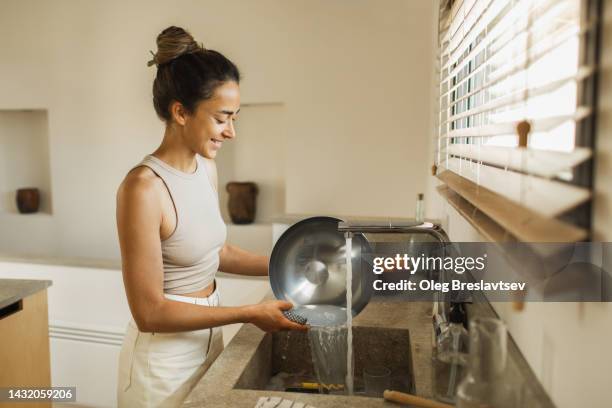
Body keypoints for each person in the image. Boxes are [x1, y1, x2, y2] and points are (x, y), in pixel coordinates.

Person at [115, 26, 307, 408]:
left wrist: (290, 266)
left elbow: (215, 251)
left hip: (208, 342)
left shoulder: (206, 168)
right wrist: (250, 313)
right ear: (181, 112)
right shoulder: (142, 188)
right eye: (222, 118)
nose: (231, 132)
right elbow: (149, 311)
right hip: (161, 364)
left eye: (235, 117)